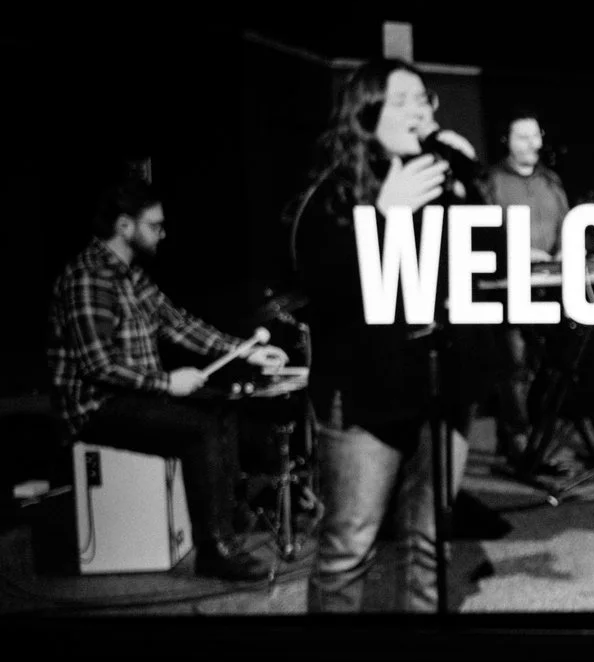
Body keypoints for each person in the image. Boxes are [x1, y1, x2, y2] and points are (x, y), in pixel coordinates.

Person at [289, 59, 486, 613]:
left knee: (430, 546)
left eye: (424, 100)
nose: (418, 111)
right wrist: (381, 217)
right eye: (402, 101)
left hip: (440, 388)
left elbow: (484, 264)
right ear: (366, 114)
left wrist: (471, 185)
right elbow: (325, 292)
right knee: (349, 548)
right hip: (364, 397)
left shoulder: (441, 178)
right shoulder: (331, 193)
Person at [46, 166, 291, 579]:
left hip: (134, 397)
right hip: (95, 408)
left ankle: (228, 519)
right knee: (200, 428)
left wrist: (245, 351)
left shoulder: (132, 276)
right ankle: (215, 550)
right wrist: (167, 382)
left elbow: (178, 323)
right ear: (124, 226)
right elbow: (98, 365)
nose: (163, 233)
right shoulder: (89, 278)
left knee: (222, 406)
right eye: (154, 225)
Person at [477, 110, 569, 477]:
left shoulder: (551, 181)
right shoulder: (492, 182)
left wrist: (564, 251)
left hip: (548, 286)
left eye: (535, 135)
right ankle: (518, 442)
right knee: (513, 366)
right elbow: (483, 232)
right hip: (509, 286)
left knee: (546, 366)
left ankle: (528, 438)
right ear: (507, 142)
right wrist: (520, 252)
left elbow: (566, 224)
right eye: (522, 137)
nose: (532, 143)